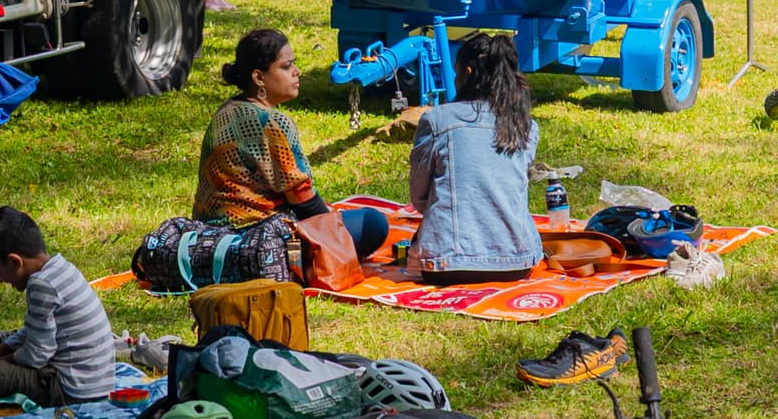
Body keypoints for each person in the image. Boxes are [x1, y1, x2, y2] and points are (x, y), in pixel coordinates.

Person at [197, 28, 392, 263]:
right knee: (373, 223)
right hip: (260, 239)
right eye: (287, 66)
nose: (297, 72)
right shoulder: (271, 122)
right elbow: (303, 200)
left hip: (208, 235)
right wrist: (334, 232)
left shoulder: (227, 110)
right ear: (259, 78)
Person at [387, 45, 545, 281]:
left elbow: (419, 197)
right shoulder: (526, 126)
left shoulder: (437, 119)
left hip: (447, 265)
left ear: (467, 73)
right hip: (516, 262)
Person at [0, 205, 118, 405]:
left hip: (69, 392)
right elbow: (28, 333)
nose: (0, 280)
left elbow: (36, 355)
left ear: (14, 262)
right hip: (94, 386)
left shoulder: (41, 285)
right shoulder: (61, 268)